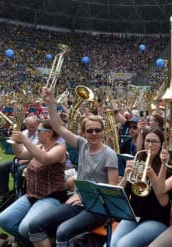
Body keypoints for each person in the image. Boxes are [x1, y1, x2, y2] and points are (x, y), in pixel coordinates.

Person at [28, 87, 119, 247]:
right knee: (35, 225)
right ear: (83, 133)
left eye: (98, 130)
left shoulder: (109, 154)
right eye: (90, 130)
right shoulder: (82, 144)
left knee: (62, 231)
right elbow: (58, 127)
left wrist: (87, 197)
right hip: (79, 201)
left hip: (99, 208)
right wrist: (51, 102)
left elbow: (112, 188)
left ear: (102, 131)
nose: (94, 133)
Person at [0, 119, 68, 245]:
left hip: (51, 197)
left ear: (49, 133)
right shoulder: (40, 147)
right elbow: (20, 153)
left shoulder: (60, 148)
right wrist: (16, 141)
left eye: (39, 131)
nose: (36, 133)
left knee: (25, 228)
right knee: (5, 220)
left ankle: (44, 240)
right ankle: (33, 242)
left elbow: (45, 158)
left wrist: (24, 140)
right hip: (32, 195)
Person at [111, 128, 172, 247]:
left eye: (154, 142)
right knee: (110, 243)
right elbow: (121, 195)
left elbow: (164, 203)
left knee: (123, 244)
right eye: (147, 141)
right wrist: (126, 176)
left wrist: (152, 177)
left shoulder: (168, 167)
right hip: (135, 215)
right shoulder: (138, 162)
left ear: (162, 144)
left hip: (157, 219)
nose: (150, 145)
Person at [0, 116, 39, 198]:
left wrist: (26, 161)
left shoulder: (40, 135)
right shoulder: (23, 133)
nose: (31, 128)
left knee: (20, 170)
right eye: (29, 126)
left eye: (33, 126)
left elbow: (38, 151)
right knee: (3, 167)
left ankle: (19, 194)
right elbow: (18, 150)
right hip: (21, 157)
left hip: (32, 160)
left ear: (37, 125)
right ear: (26, 125)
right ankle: (2, 194)